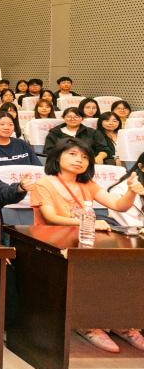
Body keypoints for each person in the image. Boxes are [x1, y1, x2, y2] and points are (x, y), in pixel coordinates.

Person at [32, 138, 143, 353]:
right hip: (53, 246)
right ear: (57, 157)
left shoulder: (88, 184)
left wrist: (131, 191)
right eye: (72, 154)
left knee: (123, 268)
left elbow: (118, 205)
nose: (79, 160)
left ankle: (122, 323)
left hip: (86, 243)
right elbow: (51, 217)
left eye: (84, 157)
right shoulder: (44, 183)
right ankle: (89, 325)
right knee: (93, 272)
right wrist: (88, 222)